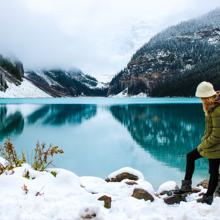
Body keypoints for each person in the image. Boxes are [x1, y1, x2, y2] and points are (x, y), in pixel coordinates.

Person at [175, 81, 220, 205]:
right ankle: (186, 187)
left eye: (203, 97)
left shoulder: (216, 110)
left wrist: (203, 144)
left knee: (213, 171)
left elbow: (217, 135)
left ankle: (208, 196)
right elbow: (210, 130)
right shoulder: (211, 106)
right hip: (210, 145)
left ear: (208, 96)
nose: (201, 100)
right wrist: (204, 139)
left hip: (216, 147)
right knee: (190, 156)